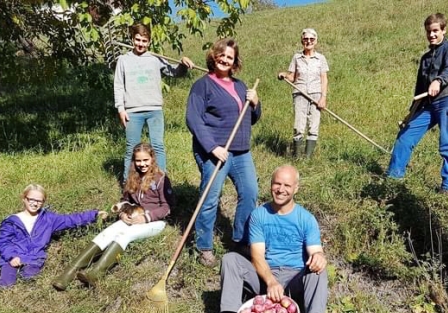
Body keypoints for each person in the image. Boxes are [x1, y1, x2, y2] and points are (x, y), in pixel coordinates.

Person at [220, 165, 328, 313]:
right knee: (230, 259)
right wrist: (270, 281)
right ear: (271, 185)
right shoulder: (259, 215)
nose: (281, 189)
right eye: (277, 183)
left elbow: (315, 251)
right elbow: (257, 256)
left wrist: (319, 257)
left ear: (296, 188)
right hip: (265, 277)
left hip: (295, 278)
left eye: (287, 185)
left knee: (318, 270)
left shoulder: (306, 218)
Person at [52, 143, 175, 290]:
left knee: (125, 234)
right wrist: (123, 213)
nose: (142, 164)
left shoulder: (160, 179)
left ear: (152, 159)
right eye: (138, 161)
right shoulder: (132, 177)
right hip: (132, 217)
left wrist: (145, 218)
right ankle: (69, 273)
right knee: (107, 232)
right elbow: (126, 200)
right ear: (134, 161)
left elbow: (168, 207)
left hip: (155, 222)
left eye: (145, 160)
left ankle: (96, 273)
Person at [185, 38, 261, 267]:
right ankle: (204, 247)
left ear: (234, 61)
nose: (225, 59)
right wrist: (213, 147)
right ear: (214, 56)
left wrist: (256, 104)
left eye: (230, 57)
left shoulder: (241, 85)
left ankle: (240, 239)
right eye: (222, 55)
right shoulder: (203, 85)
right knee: (210, 199)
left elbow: (252, 119)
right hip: (214, 151)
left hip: (240, 151)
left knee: (250, 193)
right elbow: (193, 119)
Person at [387, 13, 448, 192]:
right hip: (428, 105)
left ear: (444, 30)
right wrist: (411, 113)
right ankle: (393, 178)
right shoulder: (425, 58)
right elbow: (419, 89)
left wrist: (438, 81)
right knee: (404, 137)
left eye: (436, 31)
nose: (432, 35)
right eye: (429, 31)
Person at [0, 184, 106, 289]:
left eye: (39, 201)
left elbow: (70, 219)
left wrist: (94, 215)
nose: (34, 203)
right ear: (24, 199)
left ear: (43, 202)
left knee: (29, 281)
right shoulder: (12, 221)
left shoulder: (49, 219)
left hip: (34, 259)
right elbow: (2, 243)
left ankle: (24, 275)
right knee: (7, 284)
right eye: (31, 199)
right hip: (12, 257)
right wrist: (11, 257)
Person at [114, 23, 195, 182]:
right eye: (137, 40)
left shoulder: (155, 58)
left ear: (149, 41)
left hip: (154, 110)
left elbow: (174, 72)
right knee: (132, 148)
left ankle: (161, 183)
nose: (140, 44)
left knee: (157, 146)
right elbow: (118, 85)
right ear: (132, 39)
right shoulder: (123, 60)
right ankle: (128, 185)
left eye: (144, 41)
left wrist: (183, 63)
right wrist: (120, 108)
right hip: (132, 111)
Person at [278, 28, 329, 159]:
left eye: (311, 39)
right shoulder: (296, 57)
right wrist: (284, 75)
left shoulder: (320, 58)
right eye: (306, 39)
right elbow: (292, 76)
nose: (308, 41)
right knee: (298, 125)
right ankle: (297, 156)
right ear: (302, 41)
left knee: (313, 125)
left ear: (316, 41)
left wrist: (323, 97)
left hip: (316, 94)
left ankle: (307, 158)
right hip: (300, 93)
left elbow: (324, 78)